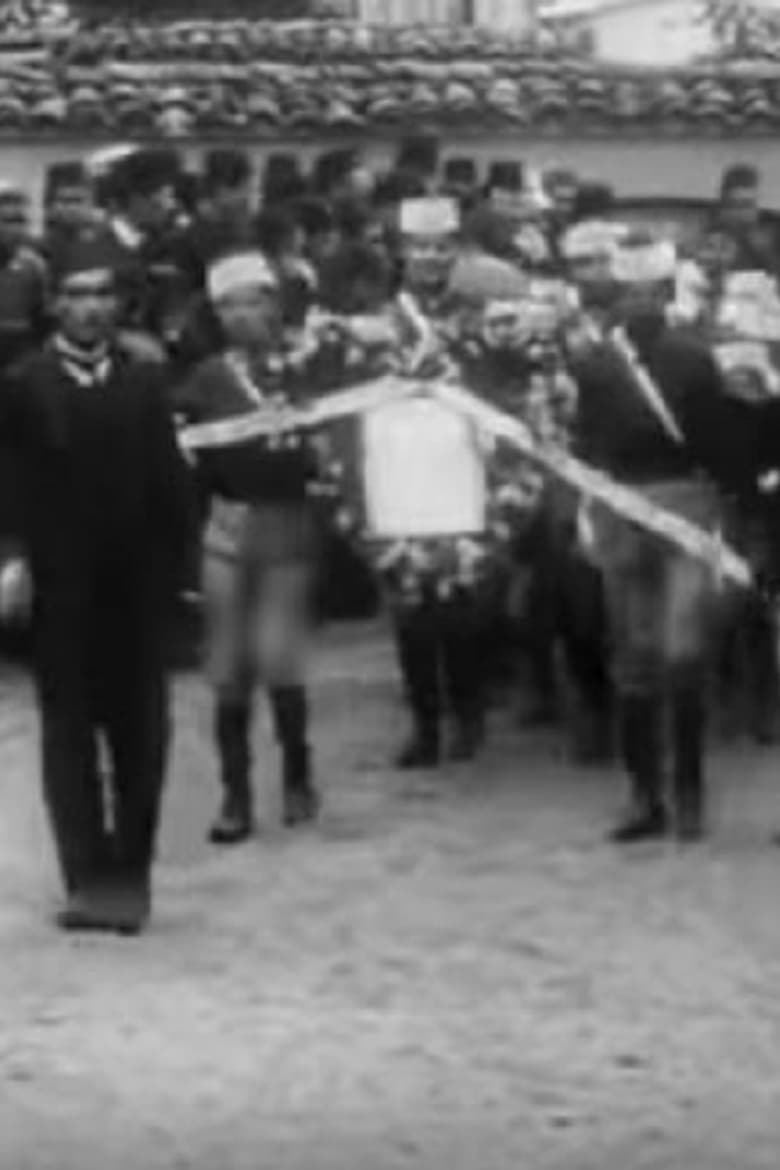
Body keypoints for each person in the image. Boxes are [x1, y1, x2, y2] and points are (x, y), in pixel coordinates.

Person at [0, 237, 191, 933]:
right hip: (61, 587)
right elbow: (8, 483)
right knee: (69, 737)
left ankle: (129, 878)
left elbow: (170, 486)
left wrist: (183, 579)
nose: (88, 309)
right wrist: (13, 559)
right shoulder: (25, 384)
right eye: (76, 295)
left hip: (136, 587)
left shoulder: (143, 383)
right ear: (55, 305)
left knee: (142, 734)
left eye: (102, 295)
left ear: (120, 304)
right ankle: (85, 879)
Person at [573, 237, 747, 843]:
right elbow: (585, 448)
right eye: (632, 292)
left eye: (652, 291)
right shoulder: (595, 364)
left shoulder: (696, 360)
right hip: (624, 508)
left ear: (669, 293)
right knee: (635, 660)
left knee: (683, 652)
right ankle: (646, 797)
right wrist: (590, 511)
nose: (641, 302)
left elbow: (717, 446)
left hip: (686, 512)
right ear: (617, 295)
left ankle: (689, 794)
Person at [174, 250, 322, 845]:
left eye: (251, 301)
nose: (240, 315)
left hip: (288, 526)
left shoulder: (307, 364)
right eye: (227, 306)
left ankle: (297, 776)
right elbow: (182, 445)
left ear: (274, 303)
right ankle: (235, 792)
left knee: (282, 662)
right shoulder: (208, 376)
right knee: (228, 670)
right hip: (229, 530)